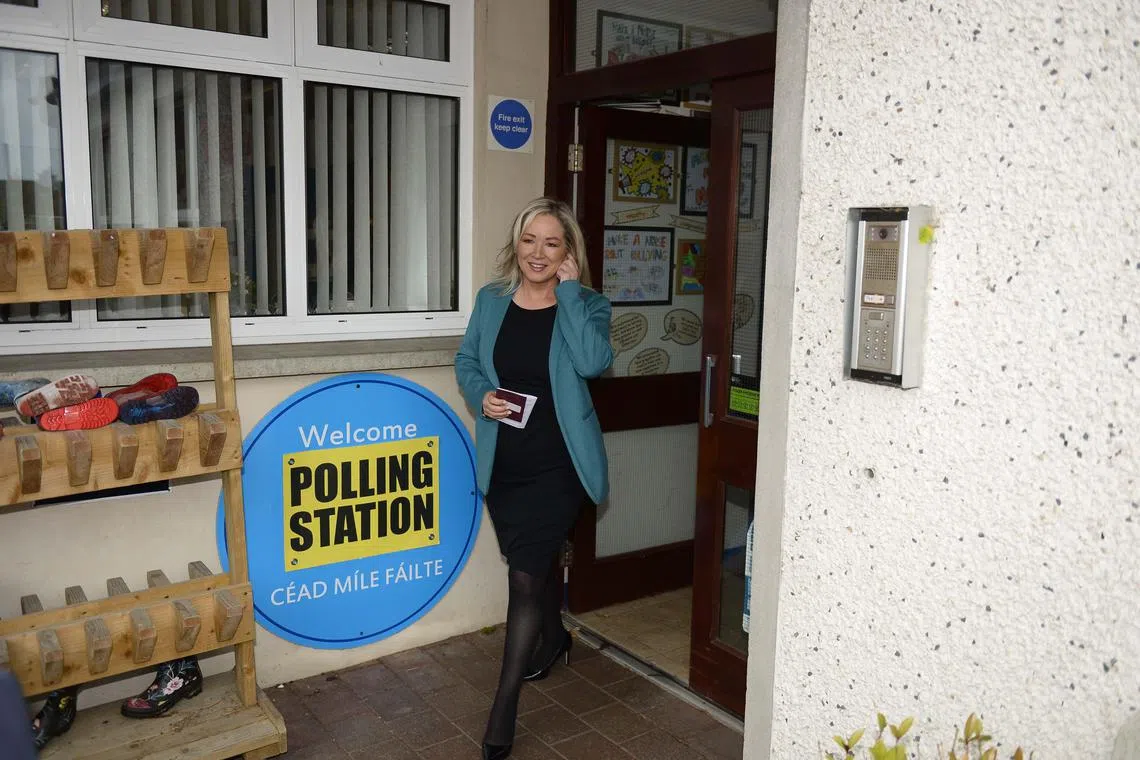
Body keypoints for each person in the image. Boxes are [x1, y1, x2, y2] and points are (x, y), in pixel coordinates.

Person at [456, 197, 612, 760]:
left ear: (568, 252)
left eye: (552, 243)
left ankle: (503, 713)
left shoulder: (588, 303)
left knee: (523, 577)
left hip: (558, 464)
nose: (538, 253)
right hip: (505, 462)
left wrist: (568, 295)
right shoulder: (491, 301)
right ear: (515, 244)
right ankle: (556, 638)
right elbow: (467, 361)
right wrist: (482, 396)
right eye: (529, 240)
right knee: (533, 559)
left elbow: (594, 362)